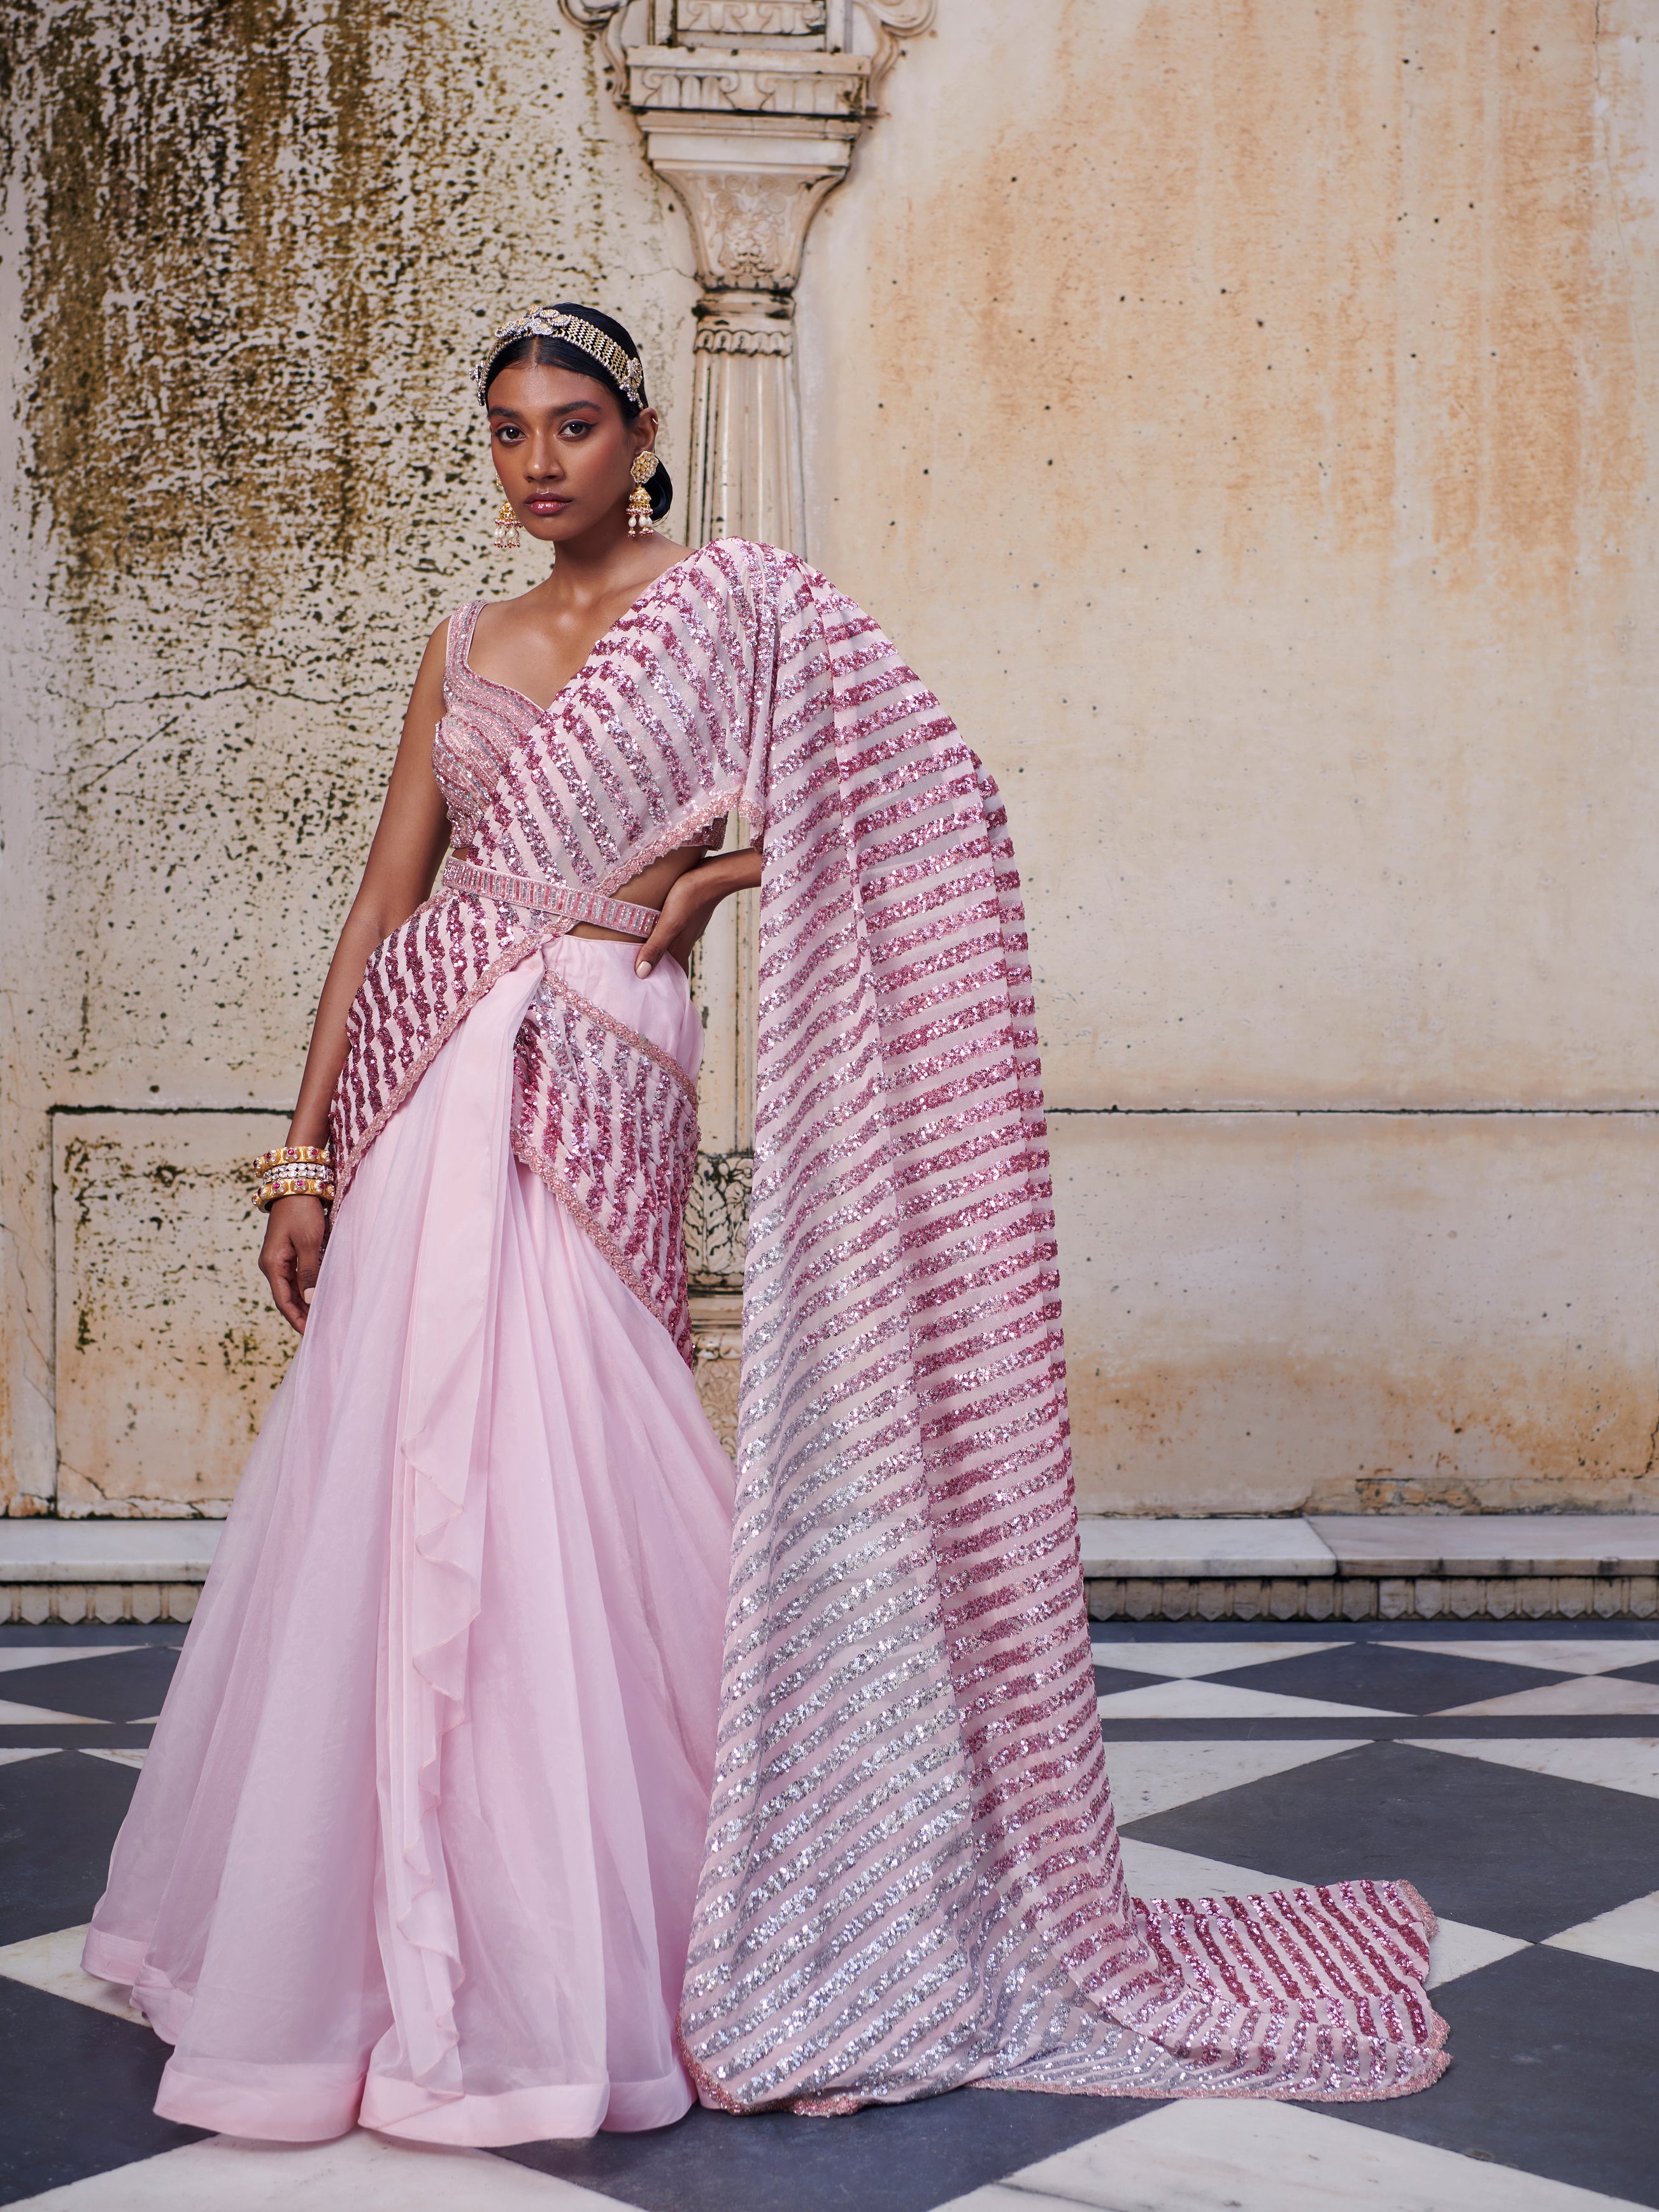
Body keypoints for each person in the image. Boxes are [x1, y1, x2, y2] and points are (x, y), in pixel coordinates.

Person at [85, 304, 1448, 2145]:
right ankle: (381, 1956)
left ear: (642, 430)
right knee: (402, 1483)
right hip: (429, 1075)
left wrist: (722, 871)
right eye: (505, 431)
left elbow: (932, 803)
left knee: (573, 1453)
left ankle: (664, 1931)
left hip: (599, 1059)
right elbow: (386, 897)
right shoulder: (458, 645)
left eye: (572, 424)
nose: (539, 460)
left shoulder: (736, 607)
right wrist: (305, 1150)